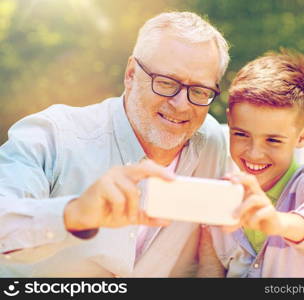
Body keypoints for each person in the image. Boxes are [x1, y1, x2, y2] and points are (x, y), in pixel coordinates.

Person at [0, 11, 230, 277]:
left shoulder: (211, 142)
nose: (182, 105)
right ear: (131, 74)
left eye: (199, 91)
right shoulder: (53, 135)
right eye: (166, 83)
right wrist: (74, 213)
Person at [210, 49, 304, 277]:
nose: (254, 153)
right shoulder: (223, 189)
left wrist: (278, 222)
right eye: (241, 134)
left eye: (273, 140)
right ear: (230, 120)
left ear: (302, 136)